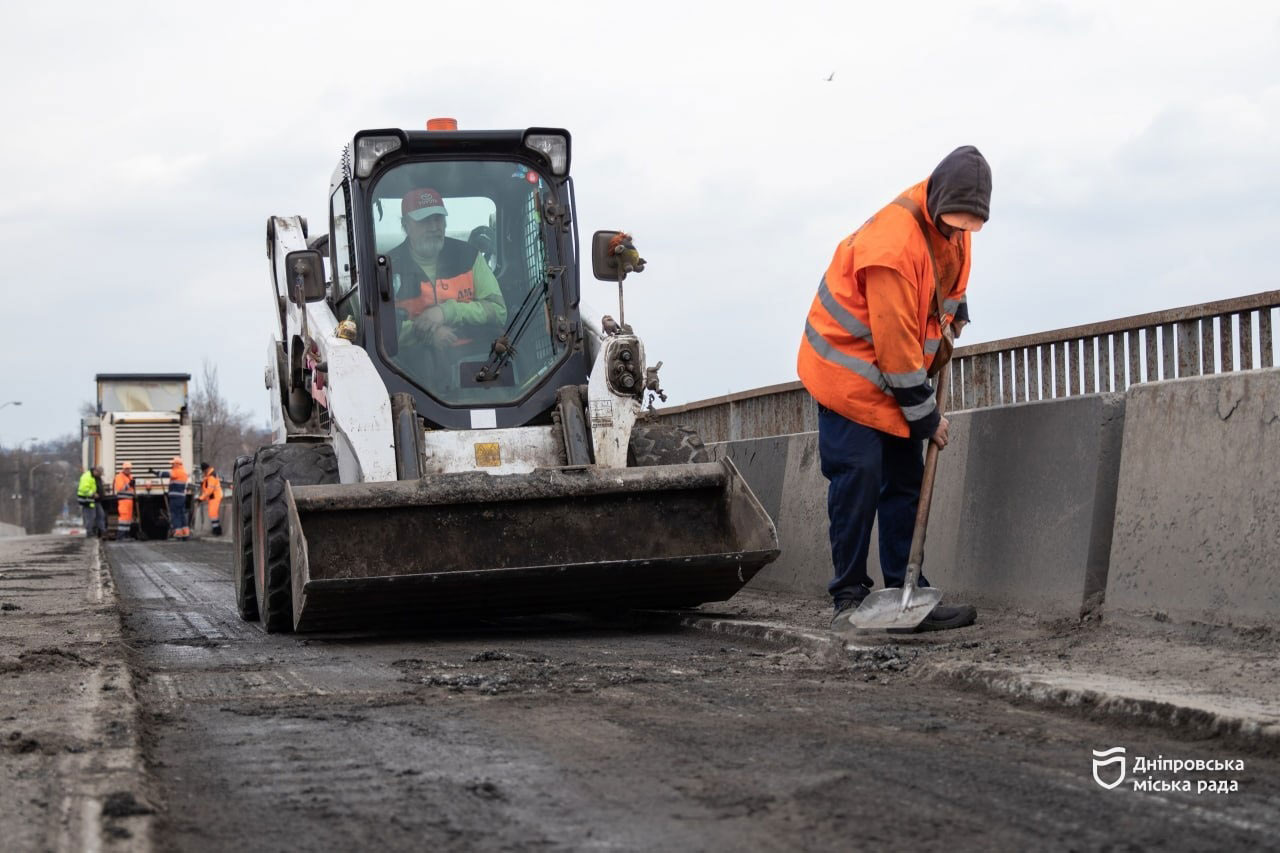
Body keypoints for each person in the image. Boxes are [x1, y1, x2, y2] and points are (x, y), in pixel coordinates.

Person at [797, 145, 992, 633]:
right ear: (936, 200)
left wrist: (957, 310)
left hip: (894, 375)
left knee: (904, 480)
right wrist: (928, 419)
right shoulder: (892, 244)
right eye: (954, 223)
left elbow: (947, 277)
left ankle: (908, 590)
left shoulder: (953, 227)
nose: (959, 233)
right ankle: (848, 596)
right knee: (859, 476)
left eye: (969, 227)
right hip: (848, 374)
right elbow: (896, 350)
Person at [388, 187, 507, 382]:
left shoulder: (469, 257)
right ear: (406, 225)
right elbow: (381, 334)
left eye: (438, 219)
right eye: (425, 220)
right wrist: (428, 333)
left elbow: (498, 311)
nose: (434, 227)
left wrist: (446, 312)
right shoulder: (388, 268)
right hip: (412, 376)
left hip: (476, 368)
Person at [197, 463, 223, 536]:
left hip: (215, 497)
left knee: (213, 514)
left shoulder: (211, 476)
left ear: (205, 469)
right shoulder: (210, 475)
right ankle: (216, 530)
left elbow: (209, 490)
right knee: (213, 514)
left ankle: (216, 531)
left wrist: (201, 498)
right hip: (213, 497)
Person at [168, 457, 190, 541]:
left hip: (175, 497)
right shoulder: (183, 472)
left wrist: (157, 473)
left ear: (176, 464)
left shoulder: (177, 472)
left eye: (172, 464)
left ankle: (178, 532)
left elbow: (167, 474)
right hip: (181, 497)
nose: (171, 465)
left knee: (175, 514)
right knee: (181, 514)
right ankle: (185, 532)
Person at [113, 462, 135, 541]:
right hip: (123, 500)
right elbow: (120, 488)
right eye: (126, 468)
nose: (128, 470)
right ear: (123, 469)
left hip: (129, 500)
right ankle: (121, 536)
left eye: (129, 468)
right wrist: (129, 484)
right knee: (123, 518)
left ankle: (126, 535)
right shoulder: (119, 477)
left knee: (128, 519)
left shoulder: (130, 477)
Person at [76, 467, 98, 536]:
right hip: (86, 500)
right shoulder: (87, 477)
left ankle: (89, 531)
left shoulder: (90, 476)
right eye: (97, 472)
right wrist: (93, 493)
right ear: (94, 471)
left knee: (90, 516)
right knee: (90, 516)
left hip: (88, 500)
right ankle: (89, 532)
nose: (97, 474)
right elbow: (84, 489)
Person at [91, 466, 108, 539]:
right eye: (100, 473)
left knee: (101, 516)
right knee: (94, 517)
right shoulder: (92, 479)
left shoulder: (98, 478)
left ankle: (102, 532)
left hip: (98, 501)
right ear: (97, 472)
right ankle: (95, 533)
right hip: (93, 501)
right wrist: (93, 493)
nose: (101, 475)